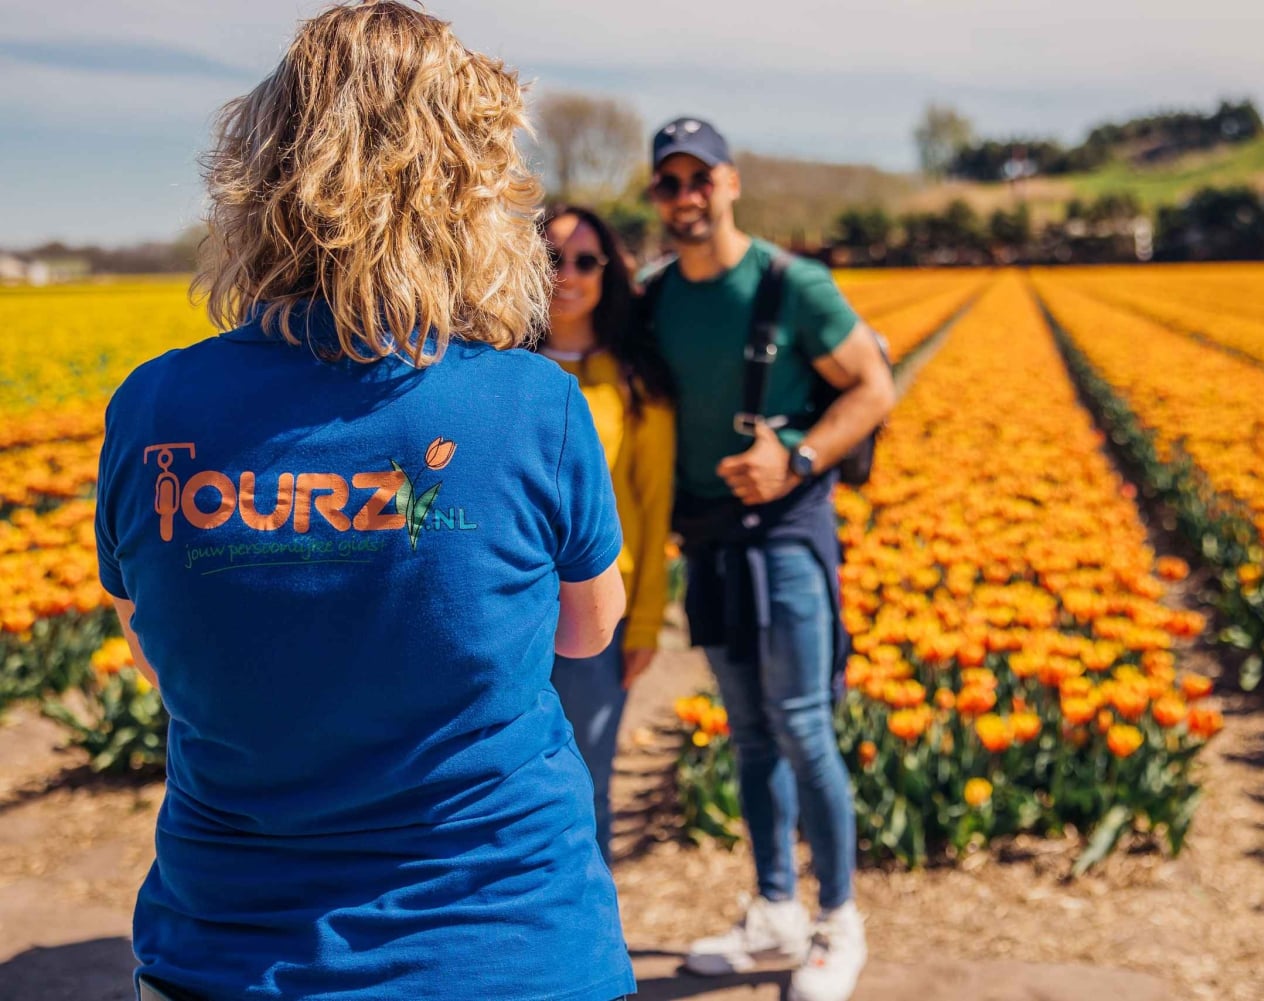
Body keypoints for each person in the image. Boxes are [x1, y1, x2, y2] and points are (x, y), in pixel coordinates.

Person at [93, 4, 635, 1000]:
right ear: (471, 188)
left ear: (259, 174)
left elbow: (162, 655)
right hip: (502, 944)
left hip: (229, 949)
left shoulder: (155, 405)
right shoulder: (532, 405)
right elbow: (589, 630)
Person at [642, 116, 896, 1001]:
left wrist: (793, 455)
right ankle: (777, 907)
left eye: (699, 178)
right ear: (656, 198)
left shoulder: (794, 286)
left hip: (788, 528)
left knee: (801, 721)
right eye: (669, 183)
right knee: (749, 733)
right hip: (709, 539)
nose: (686, 196)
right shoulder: (657, 297)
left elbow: (874, 384)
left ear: (731, 182)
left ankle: (840, 921)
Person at [539, 204, 676, 865]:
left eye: (585, 260)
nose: (567, 273)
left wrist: (646, 621)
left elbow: (654, 510)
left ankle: (583, 941)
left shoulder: (634, 382)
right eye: (552, 256)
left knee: (585, 776)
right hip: (506, 609)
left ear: (608, 273)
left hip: (599, 610)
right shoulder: (497, 366)